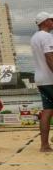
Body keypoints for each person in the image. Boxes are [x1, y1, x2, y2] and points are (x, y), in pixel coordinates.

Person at [30, 11, 53, 152]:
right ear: (45, 22)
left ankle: (44, 146)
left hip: (40, 78)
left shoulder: (34, 37)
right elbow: (49, 57)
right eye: (51, 19)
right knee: (48, 111)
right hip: (50, 78)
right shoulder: (47, 36)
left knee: (47, 111)